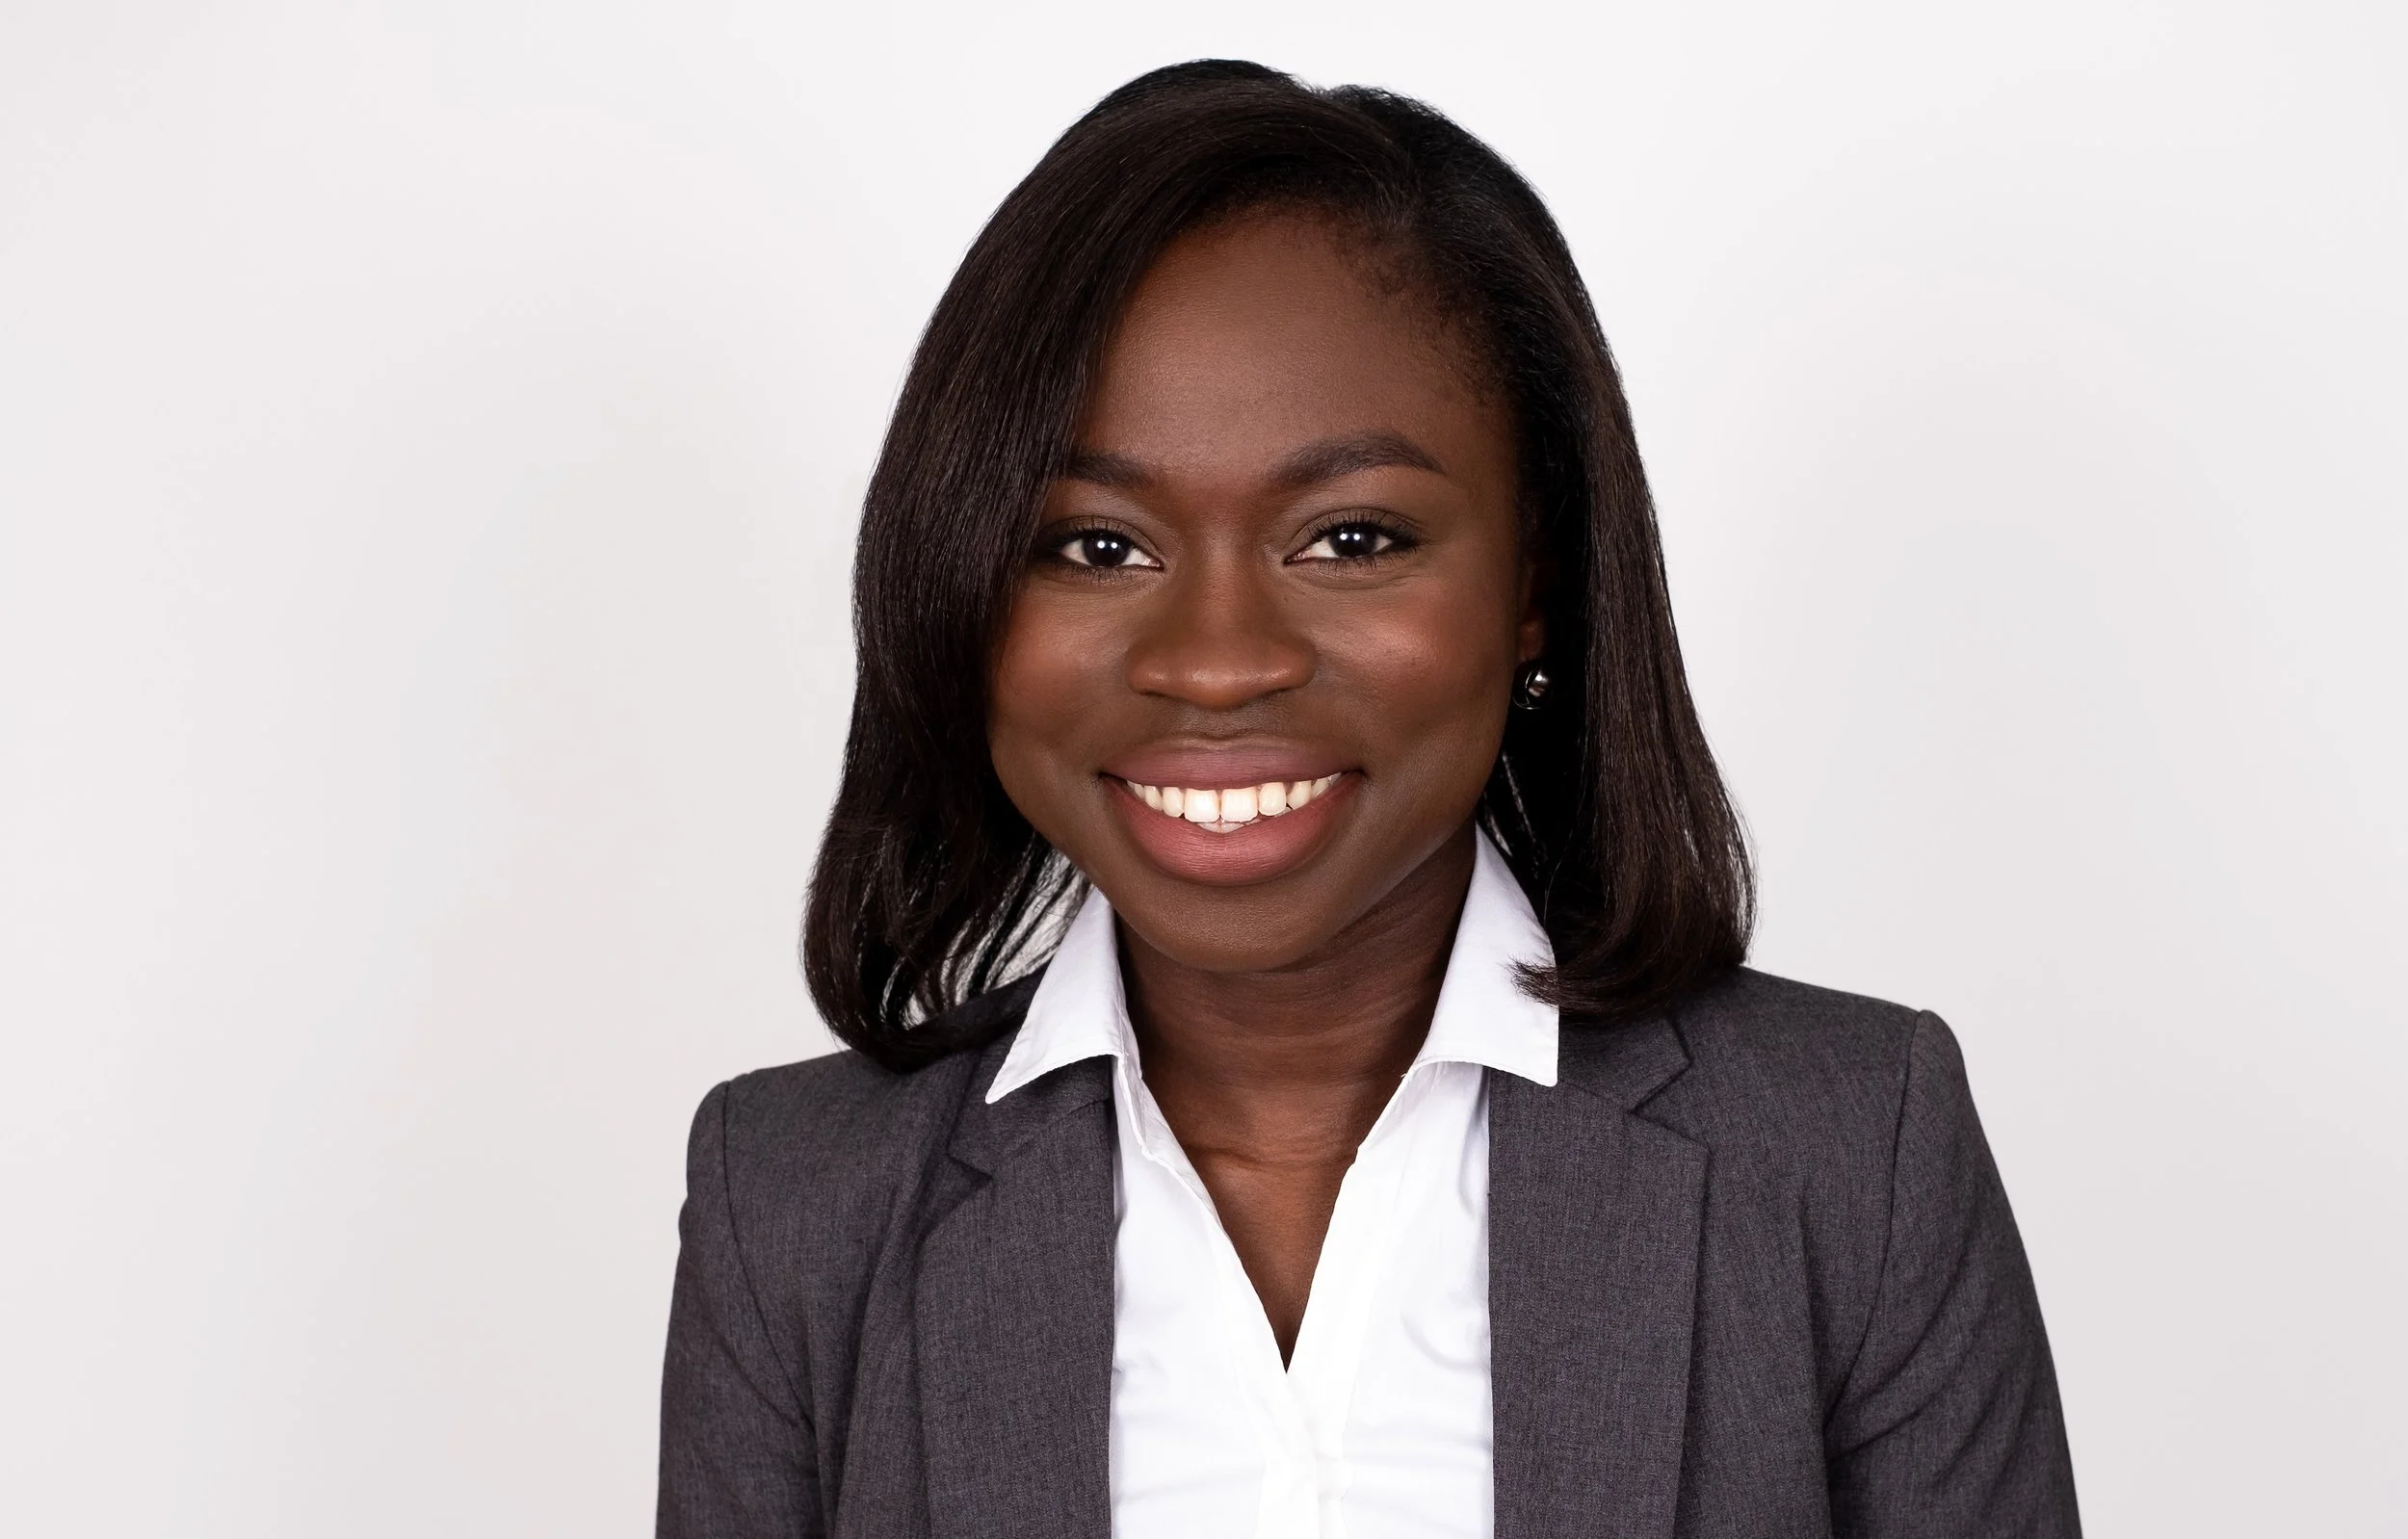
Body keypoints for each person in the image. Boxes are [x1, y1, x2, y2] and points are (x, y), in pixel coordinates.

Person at [657, 60, 2080, 1539]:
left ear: (1536, 581)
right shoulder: (796, 1215)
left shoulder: (1850, 1158)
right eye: (1093, 547)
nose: (1216, 664)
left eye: (1350, 535)